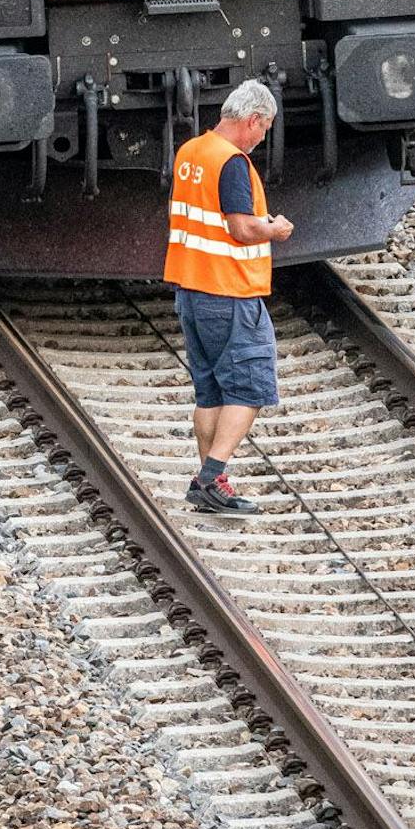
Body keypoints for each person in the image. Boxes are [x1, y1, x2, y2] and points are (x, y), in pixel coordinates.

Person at [162, 79, 293, 517]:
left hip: (192, 291)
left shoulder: (191, 152)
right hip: (229, 291)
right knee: (250, 388)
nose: (261, 138)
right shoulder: (232, 162)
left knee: (210, 393)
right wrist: (274, 229)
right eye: (264, 129)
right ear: (252, 119)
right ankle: (210, 476)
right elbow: (240, 228)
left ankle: (209, 486)